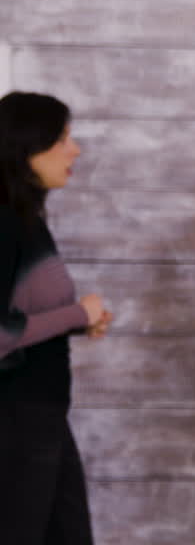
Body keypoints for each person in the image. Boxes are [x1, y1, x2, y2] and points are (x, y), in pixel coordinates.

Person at [0, 91, 113, 545]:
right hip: (16, 423)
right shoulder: (5, 222)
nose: (76, 149)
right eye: (62, 139)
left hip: (40, 418)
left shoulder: (25, 219)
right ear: (26, 148)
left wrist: (77, 322)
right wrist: (74, 312)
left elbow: (20, 315)